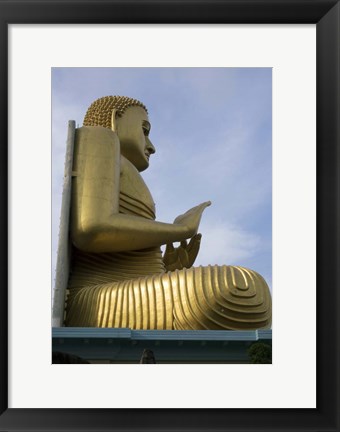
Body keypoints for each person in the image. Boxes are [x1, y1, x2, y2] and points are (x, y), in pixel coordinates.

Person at [65, 96, 272, 330]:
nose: (151, 145)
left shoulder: (121, 164)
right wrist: (179, 230)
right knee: (242, 286)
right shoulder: (98, 138)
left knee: (252, 290)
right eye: (144, 130)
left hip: (128, 291)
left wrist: (167, 267)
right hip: (97, 301)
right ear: (114, 119)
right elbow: (91, 228)